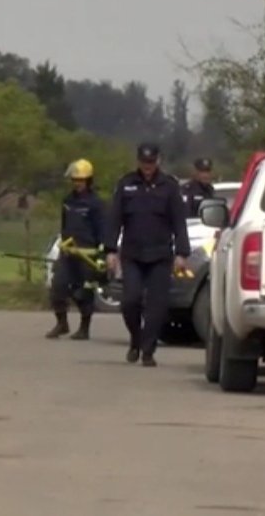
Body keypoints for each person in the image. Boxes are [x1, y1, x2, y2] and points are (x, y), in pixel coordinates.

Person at [104, 142, 191, 367]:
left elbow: (179, 223)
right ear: (138, 162)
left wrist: (182, 253)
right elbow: (115, 219)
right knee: (130, 301)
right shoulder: (126, 185)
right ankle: (136, 338)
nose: (148, 167)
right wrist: (111, 250)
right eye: (144, 163)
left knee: (157, 306)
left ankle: (148, 350)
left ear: (158, 161)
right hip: (133, 253)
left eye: (151, 162)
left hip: (160, 255)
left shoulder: (169, 186)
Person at [46, 158, 106, 341]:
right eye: (74, 180)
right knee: (57, 287)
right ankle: (61, 323)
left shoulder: (96, 204)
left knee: (83, 293)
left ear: (88, 181)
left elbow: (103, 230)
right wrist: (62, 244)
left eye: (80, 180)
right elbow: (65, 226)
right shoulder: (67, 201)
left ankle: (84, 328)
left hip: (88, 256)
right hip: (68, 254)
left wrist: (102, 256)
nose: (77, 184)